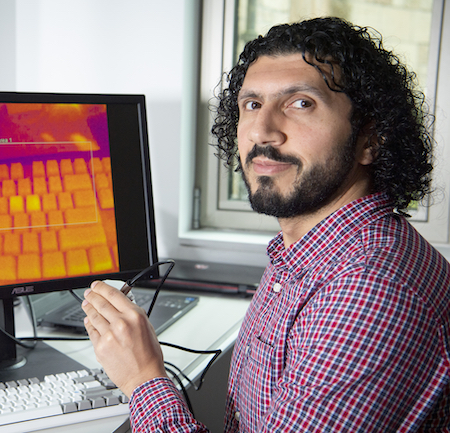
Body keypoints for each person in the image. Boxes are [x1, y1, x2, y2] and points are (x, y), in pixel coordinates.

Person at [81, 17, 450, 432]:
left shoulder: (369, 290)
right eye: (252, 105)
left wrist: (142, 378)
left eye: (301, 103)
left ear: (370, 139)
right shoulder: (308, 250)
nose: (262, 130)